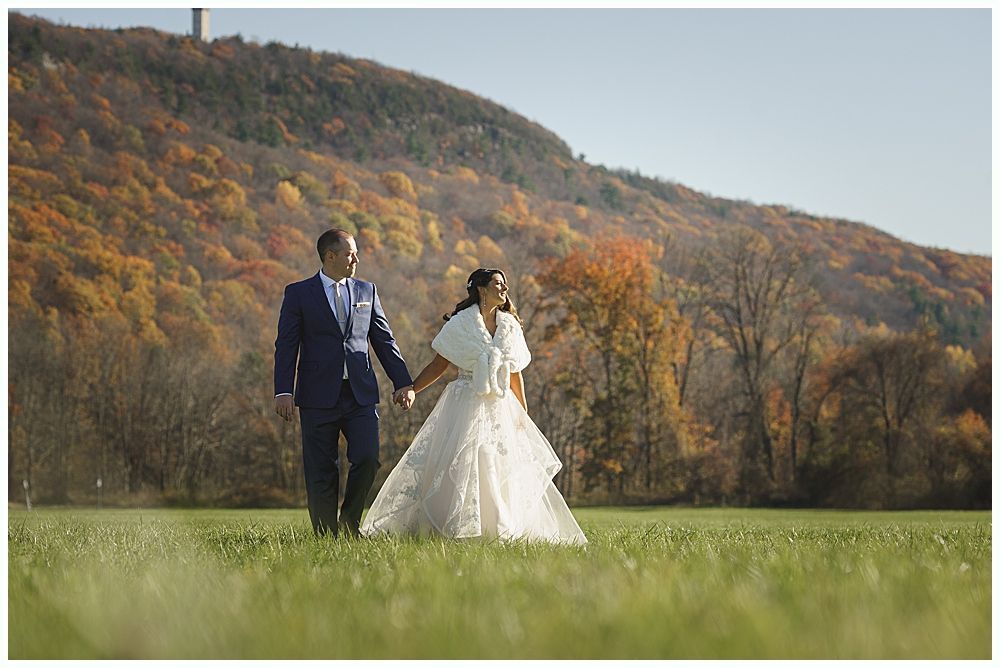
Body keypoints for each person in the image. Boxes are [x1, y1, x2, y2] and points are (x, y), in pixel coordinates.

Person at [361, 268, 587, 545]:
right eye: (498, 284)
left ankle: (499, 527)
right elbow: (439, 365)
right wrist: (410, 388)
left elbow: (515, 373)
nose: (504, 289)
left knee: (499, 464)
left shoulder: (510, 326)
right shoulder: (460, 324)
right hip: (466, 401)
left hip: (501, 405)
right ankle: (453, 526)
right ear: (481, 289)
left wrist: (522, 413)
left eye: (505, 284)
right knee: (466, 461)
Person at [274, 229, 415, 537]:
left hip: (360, 394)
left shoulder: (368, 291)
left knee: (367, 458)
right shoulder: (298, 293)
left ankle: (349, 522)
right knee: (321, 469)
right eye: (350, 253)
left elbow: (384, 340)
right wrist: (283, 390)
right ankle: (326, 536)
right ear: (330, 256)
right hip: (315, 396)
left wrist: (403, 382)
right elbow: (286, 345)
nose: (356, 259)